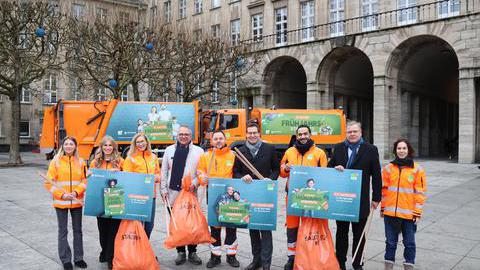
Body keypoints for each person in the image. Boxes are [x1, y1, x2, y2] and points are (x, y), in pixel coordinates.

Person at [328, 121, 382, 270]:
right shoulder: (339, 148)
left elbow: (376, 175)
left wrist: (376, 198)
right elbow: (329, 168)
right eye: (349, 132)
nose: (352, 134)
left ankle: (358, 263)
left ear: (360, 132)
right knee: (341, 233)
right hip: (342, 200)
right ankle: (340, 262)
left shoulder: (370, 149)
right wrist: (335, 168)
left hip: (360, 201)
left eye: (355, 131)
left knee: (359, 234)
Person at [280, 124, 328, 270]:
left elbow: (325, 175)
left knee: (310, 229)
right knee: (292, 228)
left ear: (310, 134)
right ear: (296, 135)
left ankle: (309, 257)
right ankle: (291, 257)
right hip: (292, 197)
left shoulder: (319, 153)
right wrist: (285, 168)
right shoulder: (289, 151)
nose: (302, 137)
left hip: (311, 199)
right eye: (300, 134)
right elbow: (281, 171)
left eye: (305, 134)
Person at [233, 122, 279, 270]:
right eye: (249, 133)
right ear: (246, 134)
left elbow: (276, 169)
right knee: (252, 228)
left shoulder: (269, 148)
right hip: (249, 194)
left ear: (259, 134)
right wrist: (242, 177)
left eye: (255, 133)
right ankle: (256, 260)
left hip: (265, 194)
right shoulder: (240, 151)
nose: (252, 135)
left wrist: (270, 179)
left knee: (265, 229)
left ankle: (266, 263)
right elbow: (235, 173)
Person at [160, 125, 204, 266]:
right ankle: (180, 252)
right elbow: (164, 171)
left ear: (191, 136)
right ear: (177, 135)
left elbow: (202, 171)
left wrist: (195, 183)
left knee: (192, 223)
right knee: (177, 223)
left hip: (191, 193)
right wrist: (163, 189)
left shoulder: (199, 151)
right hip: (173, 193)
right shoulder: (169, 150)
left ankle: (192, 251)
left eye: (186, 134)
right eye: (181, 134)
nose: (183, 136)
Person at [381, 139, 427, 270]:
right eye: (399, 148)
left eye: (404, 148)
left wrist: (417, 212)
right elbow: (384, 190)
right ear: (395, 150)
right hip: (390, 214)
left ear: (409, 150)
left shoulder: (417, 170)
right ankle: (388, 267)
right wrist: (383, 208)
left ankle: (408, 266)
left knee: (409, 243)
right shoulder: (388, 169)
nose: (401, 151)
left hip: (409, 215)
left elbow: (420, 193)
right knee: (390, 243)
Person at [44, 136, 88, 270]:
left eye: (71, 144)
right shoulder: (55, 162)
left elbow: (85, 181)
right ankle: (66, 260)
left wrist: (75, 193)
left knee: (78, 230)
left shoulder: (81, 162)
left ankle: (79, 258)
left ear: (75, 146)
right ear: (62, 146)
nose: (68, 146)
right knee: (63, 231)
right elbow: (48, 182)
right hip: (61, 202)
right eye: (66, 144)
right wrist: (62, 194)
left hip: (76, 201)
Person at [197, 130, 239, 268]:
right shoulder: (205, 156)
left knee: (231, 226)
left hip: (230, 197)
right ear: (212, 141)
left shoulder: (233, 155)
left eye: (221, 138)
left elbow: (238, 173)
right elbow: (200, 172)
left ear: (225, 140)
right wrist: (202, 178)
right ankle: (215, 256)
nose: (219, 141)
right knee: (215, 227)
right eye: (216, 138)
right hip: (214, 195)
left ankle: (231, 255)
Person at [89, 136, 124, 269]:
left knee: (113, 230)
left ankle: (111, 257)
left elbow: (126, 177)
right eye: (105, 145)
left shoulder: (120, 161)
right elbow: (90, 179)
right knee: (102, 230)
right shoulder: (95, 162)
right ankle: (104, 251)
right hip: (100, 200)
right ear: (101, 147)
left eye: (110, 146)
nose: (108, 148)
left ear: (114, 148)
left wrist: (119, 172)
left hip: (116, 199)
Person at [123, 133, 161, 239]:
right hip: (137, 197)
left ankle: (145, 249)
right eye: (138, 142)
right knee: (137, 225)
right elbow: (127, 178)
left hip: (151, 196)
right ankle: (137, 251)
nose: (140, 144)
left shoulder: (153, 157)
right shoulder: (130, 159)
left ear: (147, 142)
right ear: (134, 144)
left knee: (149, 225)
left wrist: (157, 177)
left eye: (142, 141)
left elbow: (158, 172)